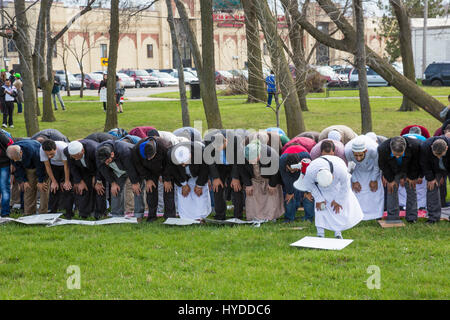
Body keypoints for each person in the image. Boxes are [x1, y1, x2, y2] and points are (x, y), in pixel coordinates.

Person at [301, 155, 364, 239]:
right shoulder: (310, 171)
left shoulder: (340, 170)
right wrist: (319, 198)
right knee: (320, 209)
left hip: (336, 187)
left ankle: (338, 233)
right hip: (320, 189)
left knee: (336, 210)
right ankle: (320, 234)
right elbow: (309, 185)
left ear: (332, 176)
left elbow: (345, 186)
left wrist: (338, 201)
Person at [204, 129, 246, 220]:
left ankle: (238, 216)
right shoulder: (208, 141)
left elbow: (238, 160)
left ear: (226, 141)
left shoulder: (236, 140)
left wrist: (235, 177)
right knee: (217, 188)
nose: (219, 150)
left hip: (233, 164)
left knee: (236, 188)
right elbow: (209, 160)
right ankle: (220, 215)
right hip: (219, 166)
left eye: (221, 147)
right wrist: (215, 177)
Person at [378, 136, 422, 223]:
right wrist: (390, 180)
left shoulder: (415, 146)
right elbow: (383, 165)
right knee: (391, 190)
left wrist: (412, 177)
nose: (397, 157)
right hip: (392, 170)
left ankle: (412, 217)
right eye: (395, 154)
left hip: (409, 169)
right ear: (390, 148)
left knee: (411, 190)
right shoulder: (382, 148)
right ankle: (393, 217)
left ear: (405, 148)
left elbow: (416, 162)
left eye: (400, 154)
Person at [131, 135, 175, 222]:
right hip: (149, 171)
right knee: (150, 191)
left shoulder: (164, 146)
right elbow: (138, 166)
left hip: (164, 168)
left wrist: (167, 179)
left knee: (168, 190)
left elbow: (169, 164)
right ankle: (151, 216)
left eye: (152, 156)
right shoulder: (136, 150)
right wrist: (148, 178)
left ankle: (170, 216)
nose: (150, 159)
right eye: (147, 157)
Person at [96, 140, 144, 218]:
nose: (106, 164)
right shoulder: (99, 152)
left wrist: (135, 182)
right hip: (118, 170)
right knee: (115, 190)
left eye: (108, 161)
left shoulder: (124, 151)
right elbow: (102, 168)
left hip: (134, 167)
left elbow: (130, 168)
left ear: (112, 154)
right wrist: (112, 183)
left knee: (137, 189)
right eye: (104, 162)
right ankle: (116, 215)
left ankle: (139, 215)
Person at [239, 140, 285, 221]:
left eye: (254, 158)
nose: (252, 161)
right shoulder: (242, 155)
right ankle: (253, 217)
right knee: (252, 197)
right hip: (254, 179)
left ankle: (271, 217)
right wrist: (248, 184)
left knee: (271, 196)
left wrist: (272, 184)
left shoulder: (271, 153)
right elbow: (242, 171)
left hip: (269, 178)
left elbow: (276, 170)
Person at [167, 142, 211, 220]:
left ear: (190, 155)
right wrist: (183, 184)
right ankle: (186, 217)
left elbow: (204, 170)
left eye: (184, 162)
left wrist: (199, 185)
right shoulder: (170, 155)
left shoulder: (201, 152)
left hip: (198, 174)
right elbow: (174, 171)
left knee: (199, 195)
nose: (183, 165)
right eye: (181, 163)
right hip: (182, 176)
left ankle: (201, 216)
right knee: (184, 194)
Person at [345, 135, 384, 220]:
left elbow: (377, 166)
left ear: (365, 151)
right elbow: (349, 167)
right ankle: (357, 215)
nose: (358, 158)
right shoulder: (347, 151)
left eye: (360, 155)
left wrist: (373, 179)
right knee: (358, 192)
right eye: (356, 155)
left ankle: (377, 215)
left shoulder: (374, 149)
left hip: (372, 169)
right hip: (357, 170)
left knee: (375, 192)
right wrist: (354, 180)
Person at [64, 140, 106, 219]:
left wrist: (98, 180)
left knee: (99, 189)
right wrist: (79, 181)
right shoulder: (67, 151)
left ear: (82, 151)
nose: (75, 159)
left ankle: (100, 212)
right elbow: (72, 167)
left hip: (98, 169)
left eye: (77, 156)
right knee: (84, 188)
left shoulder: (94, 150)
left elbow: (100, 166)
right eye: (73, 157)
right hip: (83, 170)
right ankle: (84, 212)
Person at [6, 140, 50, 215]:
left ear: (21, 152)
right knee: (28, 189)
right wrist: (24, 180)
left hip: (41, 165)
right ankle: (29, 213)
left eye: (17, 158)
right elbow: (18, 168)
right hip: (28, 168)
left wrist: (40, 181)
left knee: (43, 188)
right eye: (14, 159)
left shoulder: (33, 150)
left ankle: (43, 213)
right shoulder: (12, 153)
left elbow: (40, 166)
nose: (16, 160)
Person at [279, 143, 314, 222]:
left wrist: (307, 191)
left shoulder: (306, 159)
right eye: (290, 170)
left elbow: (309, 177)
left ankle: (309, 218)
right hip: (289, 169)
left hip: (305, 172)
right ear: (286, 166)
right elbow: (285, 178)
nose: (292, 172)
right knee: (289, 195)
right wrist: (290, 191)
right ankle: (289, 218)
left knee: (308, 195)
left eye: (294, 170)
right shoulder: (281, 161)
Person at [40, 139, 74, 218]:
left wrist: (67, 180)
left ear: (56, 149)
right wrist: (54, 181)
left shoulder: (63, 148)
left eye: (51, 154)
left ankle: (69, 212)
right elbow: (47, 166)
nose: (49, 156)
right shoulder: (42, 149)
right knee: (54, 188)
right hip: (54, 166)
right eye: (47, 154)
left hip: (65, 166)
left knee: (67, 188)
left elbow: (66, 166)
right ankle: (52, 210)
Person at [419, 137, 450, 223]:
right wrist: (431, 178)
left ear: (447, 148)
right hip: (434, 169)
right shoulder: (425, 146)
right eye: (436, 155)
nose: (438, 157)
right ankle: (433, 217)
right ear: (431, 146)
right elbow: (424, 164)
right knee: (431, 187)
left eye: (441, 155)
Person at [0, 130, 13, 216]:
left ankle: (5, 212)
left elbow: (12, 147)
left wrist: (13, 163)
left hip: (4, 164)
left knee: (4, 188)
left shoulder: (2, 135)